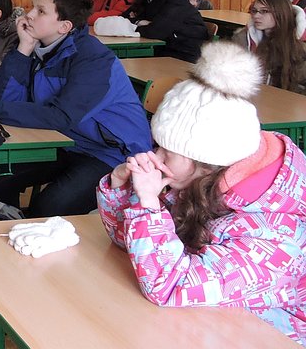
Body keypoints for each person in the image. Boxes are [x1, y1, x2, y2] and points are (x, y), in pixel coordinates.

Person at [97, 42, 306, 345]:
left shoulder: (275, 238)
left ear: (205, 160)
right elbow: (132, 247)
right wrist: (122, 187)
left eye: (167, 151)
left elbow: (170, 286)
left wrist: (149, 206)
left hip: (267, 336)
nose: (155, 156)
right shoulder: (200, 185)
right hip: (204, 320)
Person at [0, 0, 152, 216]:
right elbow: (4, 99)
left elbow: (61, 116)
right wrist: (23, 49)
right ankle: (8, 220)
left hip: (111, 153)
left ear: (64, 26)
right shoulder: (38, 47)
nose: (29, 15)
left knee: (48, 207)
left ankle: (29, 226)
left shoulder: (93, 59)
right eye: (32, 7)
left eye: (40, 11)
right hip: (62, 141)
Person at [233, 0, 306, 94]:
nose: (256, 16)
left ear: (280, 13)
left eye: (264, 11)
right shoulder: (244, 39)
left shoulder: (298, 46)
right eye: (254, 11)